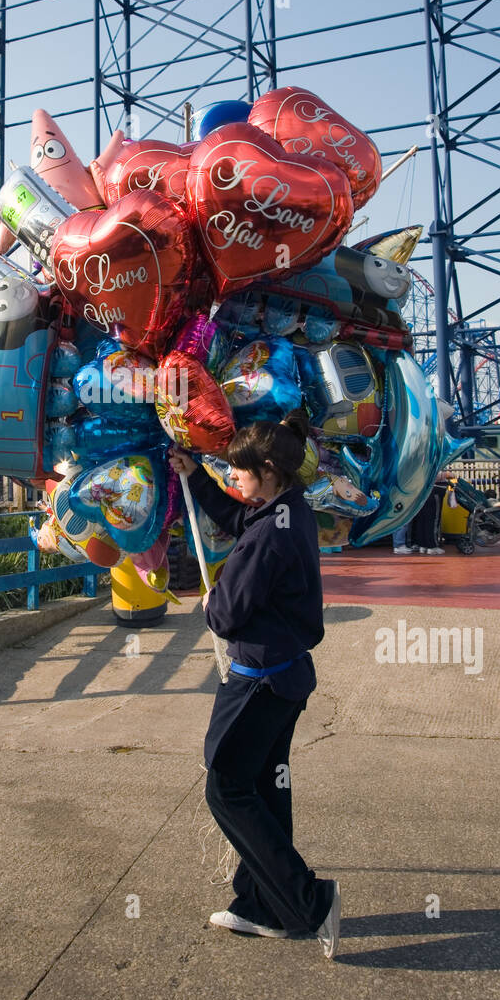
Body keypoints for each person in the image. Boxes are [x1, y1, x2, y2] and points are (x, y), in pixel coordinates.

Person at [168, 409, 341, 959]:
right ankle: (262, 904)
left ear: (267, 469)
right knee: (267, 787)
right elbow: (239, 520)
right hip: (287, 675)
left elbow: (226, 613)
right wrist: (194, 477)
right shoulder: (291, 511)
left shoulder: (270, 533)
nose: (233, 478)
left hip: (260, 681)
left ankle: (308, 900)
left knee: (227, 787)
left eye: (239, 471)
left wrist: (209, 601)